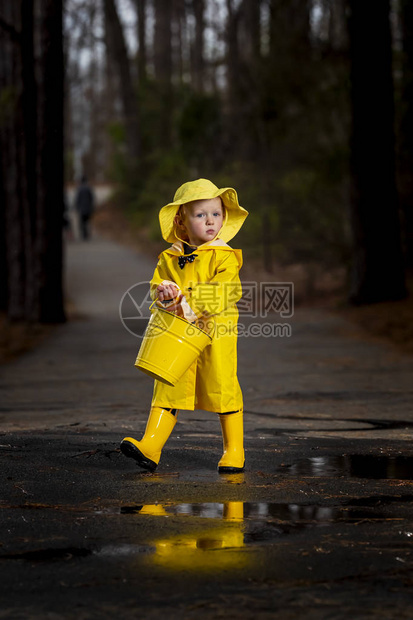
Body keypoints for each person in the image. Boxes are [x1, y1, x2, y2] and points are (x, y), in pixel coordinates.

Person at [120, 178, 249, 473]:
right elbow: (156, 288)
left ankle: (234, 450)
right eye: (200, 214)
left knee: (221, 385)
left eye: (216, 214)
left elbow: (226, 290)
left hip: (216, 331)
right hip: (177, 332)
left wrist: (187, 301)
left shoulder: (224, 256)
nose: (210, 221)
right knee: (168, 384)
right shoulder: (169, 257)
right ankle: (150, 445)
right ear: (181, 220)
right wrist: (164, 293)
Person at [75, 175, 95, 240]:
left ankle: (84, 235)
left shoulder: (79, 188)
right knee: (88, 222)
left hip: (82, 208)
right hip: (88, 208)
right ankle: (88, 234)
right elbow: (92, 198)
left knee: (82, 222)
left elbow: (77, 199)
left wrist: (77, 207)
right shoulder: (89, 188)